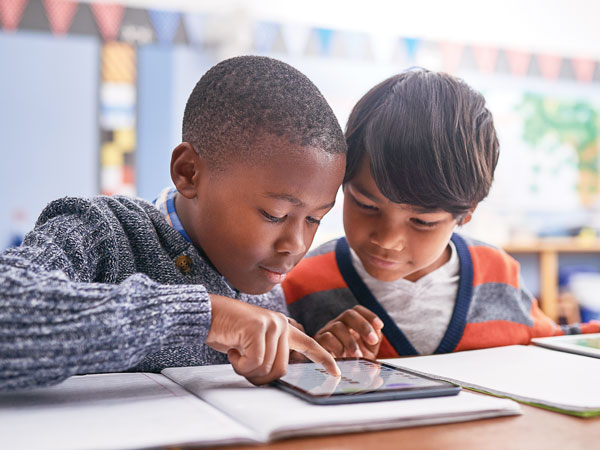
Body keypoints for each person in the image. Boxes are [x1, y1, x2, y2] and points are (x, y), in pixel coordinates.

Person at [0, 55, 345, 392]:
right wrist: (206, 316)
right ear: (189, 172)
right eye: (275, 214)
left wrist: (303, 357)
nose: (297, 244)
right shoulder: (100, 232)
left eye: (315, 219)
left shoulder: (265, 284)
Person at [281, 68, 600, 360]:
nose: (388, 240)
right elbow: (269, 371)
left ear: (466, 214)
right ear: (343, 182)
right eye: (366, 205)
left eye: (422, 222)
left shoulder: (498, 275)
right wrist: (309, 360)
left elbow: (554, 345)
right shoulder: (300, 282)